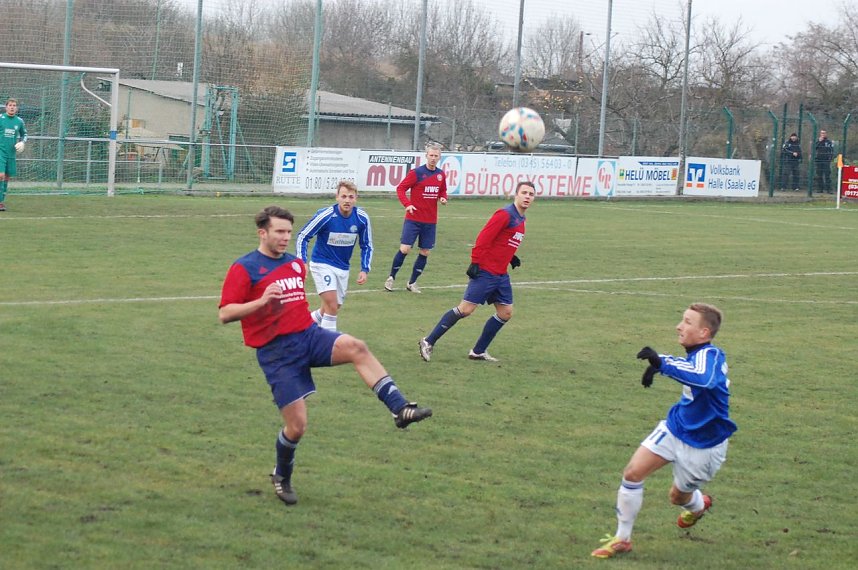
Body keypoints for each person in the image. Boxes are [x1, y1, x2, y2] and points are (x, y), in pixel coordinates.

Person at [218, 205, 432, 507]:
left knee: (358, 347)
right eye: (279, 232)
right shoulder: (245, 268)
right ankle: (282, 474)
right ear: (262, 232)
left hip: (308, 336)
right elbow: (225, 314)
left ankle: (400, 409)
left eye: (288, 232)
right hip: (277, 354)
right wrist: (262, 301)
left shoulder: (294, 265)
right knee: (297, 427)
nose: (285, 237)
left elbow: (294, 307)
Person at [591, 303, 737, 559]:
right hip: (675, 426)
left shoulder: (712, 356)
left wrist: (663, 365)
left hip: (704, 444)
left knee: (678, 497)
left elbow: (702, 378)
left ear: (704, 333)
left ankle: (699, 505)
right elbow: (684, 364)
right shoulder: (696, 354)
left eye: (687, 322)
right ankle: (622, 539)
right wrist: (659, 364)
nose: (679, 326)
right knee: (633, 473)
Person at [418, 180, 535, 363]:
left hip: (500, 274)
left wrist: (511, 256)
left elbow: (504, 239)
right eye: (524, 193)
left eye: (531, 194)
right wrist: (475, 262)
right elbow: (484, 237)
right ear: (516, 195)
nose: (528, 196)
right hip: (486, 271)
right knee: (465, 309)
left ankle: (478, 351)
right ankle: (428, 341)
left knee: (505, 313)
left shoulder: (521, 218)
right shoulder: (505, 214)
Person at [295, 180, 372, 332]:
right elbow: (303, 236)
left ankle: (302, 327)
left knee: (334, 306)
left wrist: (365, 269)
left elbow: (367, 245)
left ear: (356, 198)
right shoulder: (326, 215)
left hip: (343, 267)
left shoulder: (362, 218)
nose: (347, 200)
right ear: (337, 197)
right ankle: (327, 347)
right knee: (331, 305)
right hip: (321, 263)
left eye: (351, 197)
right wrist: (302, 261)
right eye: (343, 196)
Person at [383, 142, 448, 294]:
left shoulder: (440, 175)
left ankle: (412, 282)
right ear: (426, 156)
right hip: (413, 219)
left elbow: (442, 191)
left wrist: (443, 198)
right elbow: (400, 188)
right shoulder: (416, 173)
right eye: (430, 155)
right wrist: (407, 204)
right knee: (405, 249)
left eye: (436, 156)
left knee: (425, 252)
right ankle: (391, 278)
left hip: (430, 221)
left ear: (439, 157)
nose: (433, 158)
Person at [0, 98, 28, 212]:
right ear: (6, 107)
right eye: (10, 105)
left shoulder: (19, 121)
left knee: (6, 177)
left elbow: (24, 134)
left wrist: (22, 142)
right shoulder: (1, 119)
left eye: (14, 105)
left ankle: (1, 202)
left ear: (16, 108)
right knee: (1, 175)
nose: (12, 107)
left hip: (11, 153)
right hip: (0, 152)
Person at [814, 130, 835, 194]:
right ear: (820, 134)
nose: (823, 134)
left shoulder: (829, 142)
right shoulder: (817, 141)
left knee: (827, 175)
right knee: (819, 175)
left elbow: (831, 150)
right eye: (822, 133)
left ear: (826, 134)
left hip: (826, 160)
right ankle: (820, 189)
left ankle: (829, 189)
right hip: (819, 160)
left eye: (824, 133)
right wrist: (819, 141)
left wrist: (830, 158)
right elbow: (814, 148)